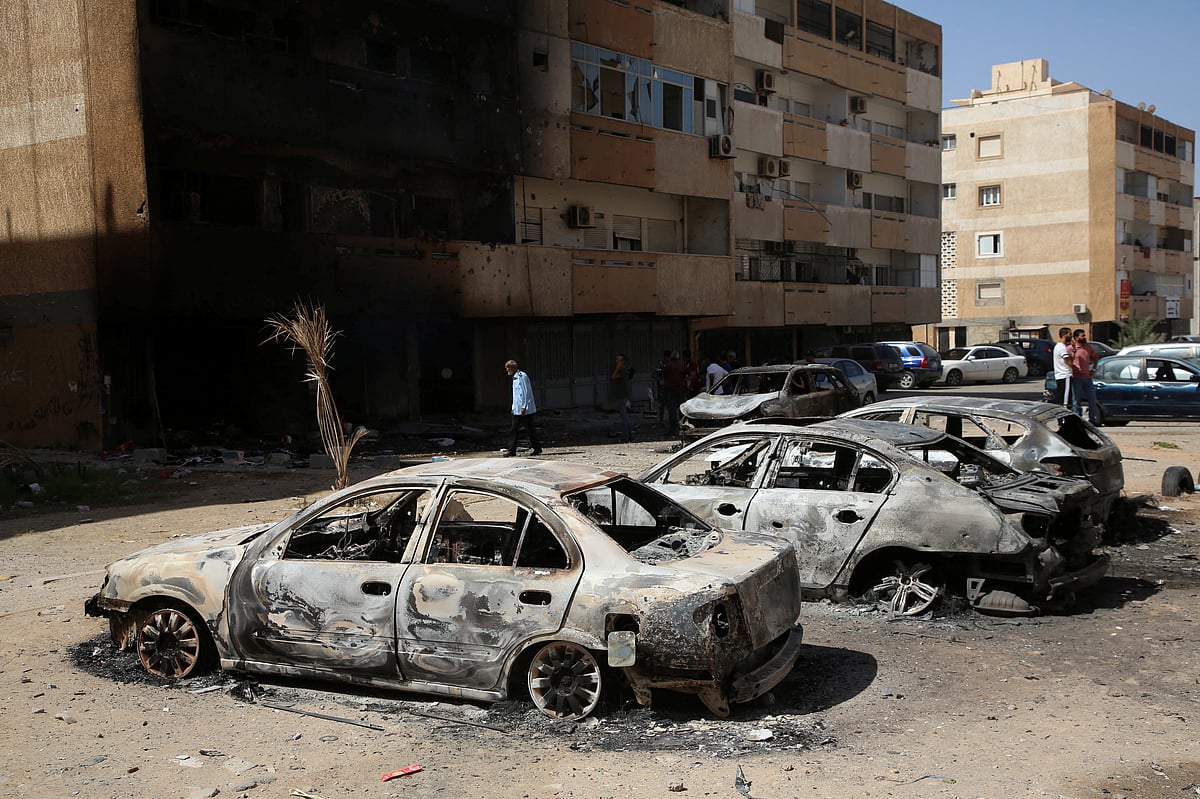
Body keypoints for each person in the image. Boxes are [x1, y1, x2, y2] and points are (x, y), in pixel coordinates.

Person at [503, 359, 542, 456]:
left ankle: (535, 448)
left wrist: (524, 407)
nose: (507, 370)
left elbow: (525, 392)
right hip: (517, 409)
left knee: (528, 429)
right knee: (516, 429)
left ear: (512, 368)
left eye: (507, 368)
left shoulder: (522, 377)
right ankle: (513, 450)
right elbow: (516, 395)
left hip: (524, 410)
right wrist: (514, 408)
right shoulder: (515, 378)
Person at [1068, 330, 1100, 424]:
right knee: (1076, 401)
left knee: (1092, 399)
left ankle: (1093, 420)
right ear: (1076, 337)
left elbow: (1095, 356)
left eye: (1084, 335)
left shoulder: (1088, 347)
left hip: (1087, 377)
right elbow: (1067, 361)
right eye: (1082, 336)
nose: (1084, 337)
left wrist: (1094, 368)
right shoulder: (1070, 348)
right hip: (1076, 377)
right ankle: (1078, 420)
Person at [660, 351, 688, 436]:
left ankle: (673, 430)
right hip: (681, 390)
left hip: (670, 391)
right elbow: (689, 375)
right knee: (682, 411)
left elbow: (662, 375)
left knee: (672, 412)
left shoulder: (668, 366)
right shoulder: (682, 365)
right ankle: (683, 428)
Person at [610, 353, 633, 444]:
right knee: (624, 416)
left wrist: (618, 367)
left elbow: (613, 377)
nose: (617, 362)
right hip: (622, 395)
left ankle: (626, 436)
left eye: (619, 360)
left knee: (624, 417)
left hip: (623, 396)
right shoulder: (623, 370)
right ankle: (629, 435)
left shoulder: (622, 371)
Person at [1051, 326, 1073, 406]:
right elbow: (1067, 361)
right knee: (1065, 400)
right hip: (1065, 375)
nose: (1071, 336)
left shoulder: (1058, 346)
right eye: (1070, 334)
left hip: (1061, 376)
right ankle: (1064, 417)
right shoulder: (1062, 347)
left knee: (1061, 397)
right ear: (1064, 335)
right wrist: (1076, 368)